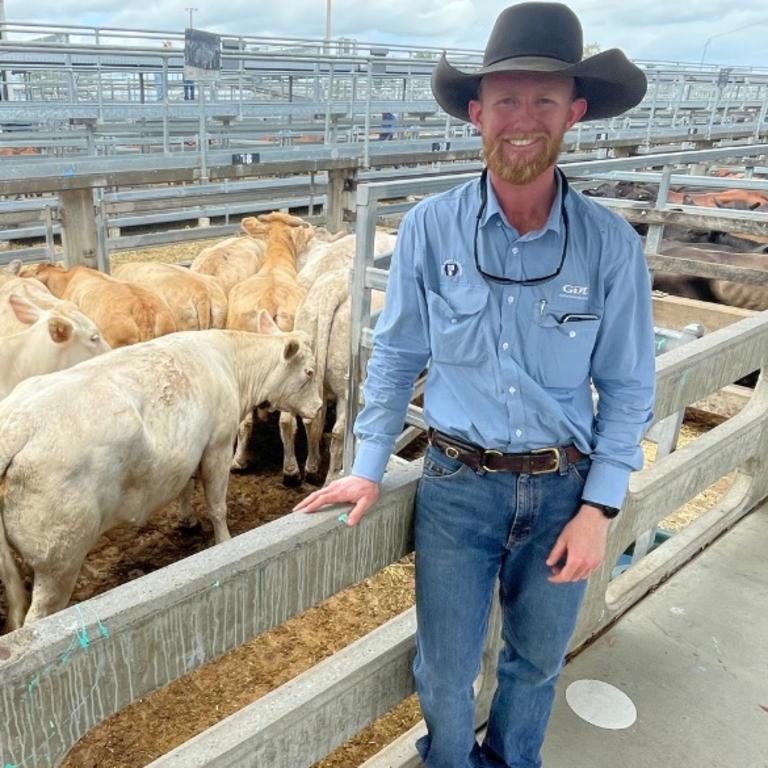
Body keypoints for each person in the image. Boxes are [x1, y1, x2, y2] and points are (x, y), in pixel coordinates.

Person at [295, 3, 655, 767]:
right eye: (506, 100)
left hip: (566, 488)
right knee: (446, 667)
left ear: (575, 112)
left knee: (535, 664)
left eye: (544, 100)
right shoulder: (430, 229)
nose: (523, 119)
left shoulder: (612, 248)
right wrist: (366, 467)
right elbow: (395, 358)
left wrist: (600, 507)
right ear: (475, 112)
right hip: (458, 485)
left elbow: (627, 386)